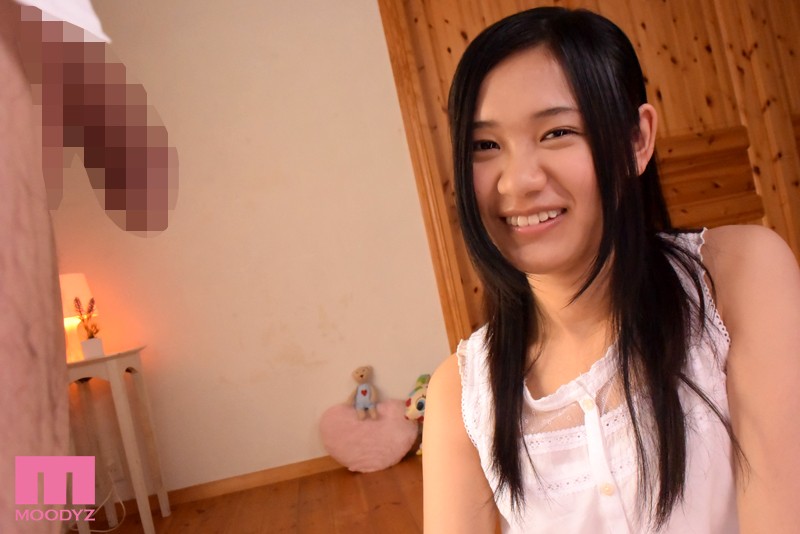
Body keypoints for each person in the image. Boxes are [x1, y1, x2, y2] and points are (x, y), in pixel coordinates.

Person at [423, 7, 800, 533]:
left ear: (636, 141)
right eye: (485, 146)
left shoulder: (738, 276)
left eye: (556, 132)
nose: (518, 181)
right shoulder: (462, 394)